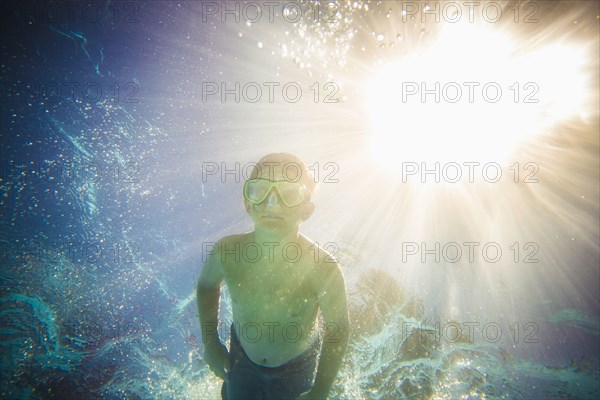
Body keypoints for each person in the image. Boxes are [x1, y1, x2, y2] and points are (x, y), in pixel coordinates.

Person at [197, 153, 349, 400]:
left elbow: (338, 329)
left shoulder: (323, 267)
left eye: (289, 194)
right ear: (248, 202)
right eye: (261, 191)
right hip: (241, 359)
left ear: (306, 210)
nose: (273, 204)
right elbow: (206, 286)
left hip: (297, 368)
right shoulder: (226, 252)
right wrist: (210, 342)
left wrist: (321, 390)